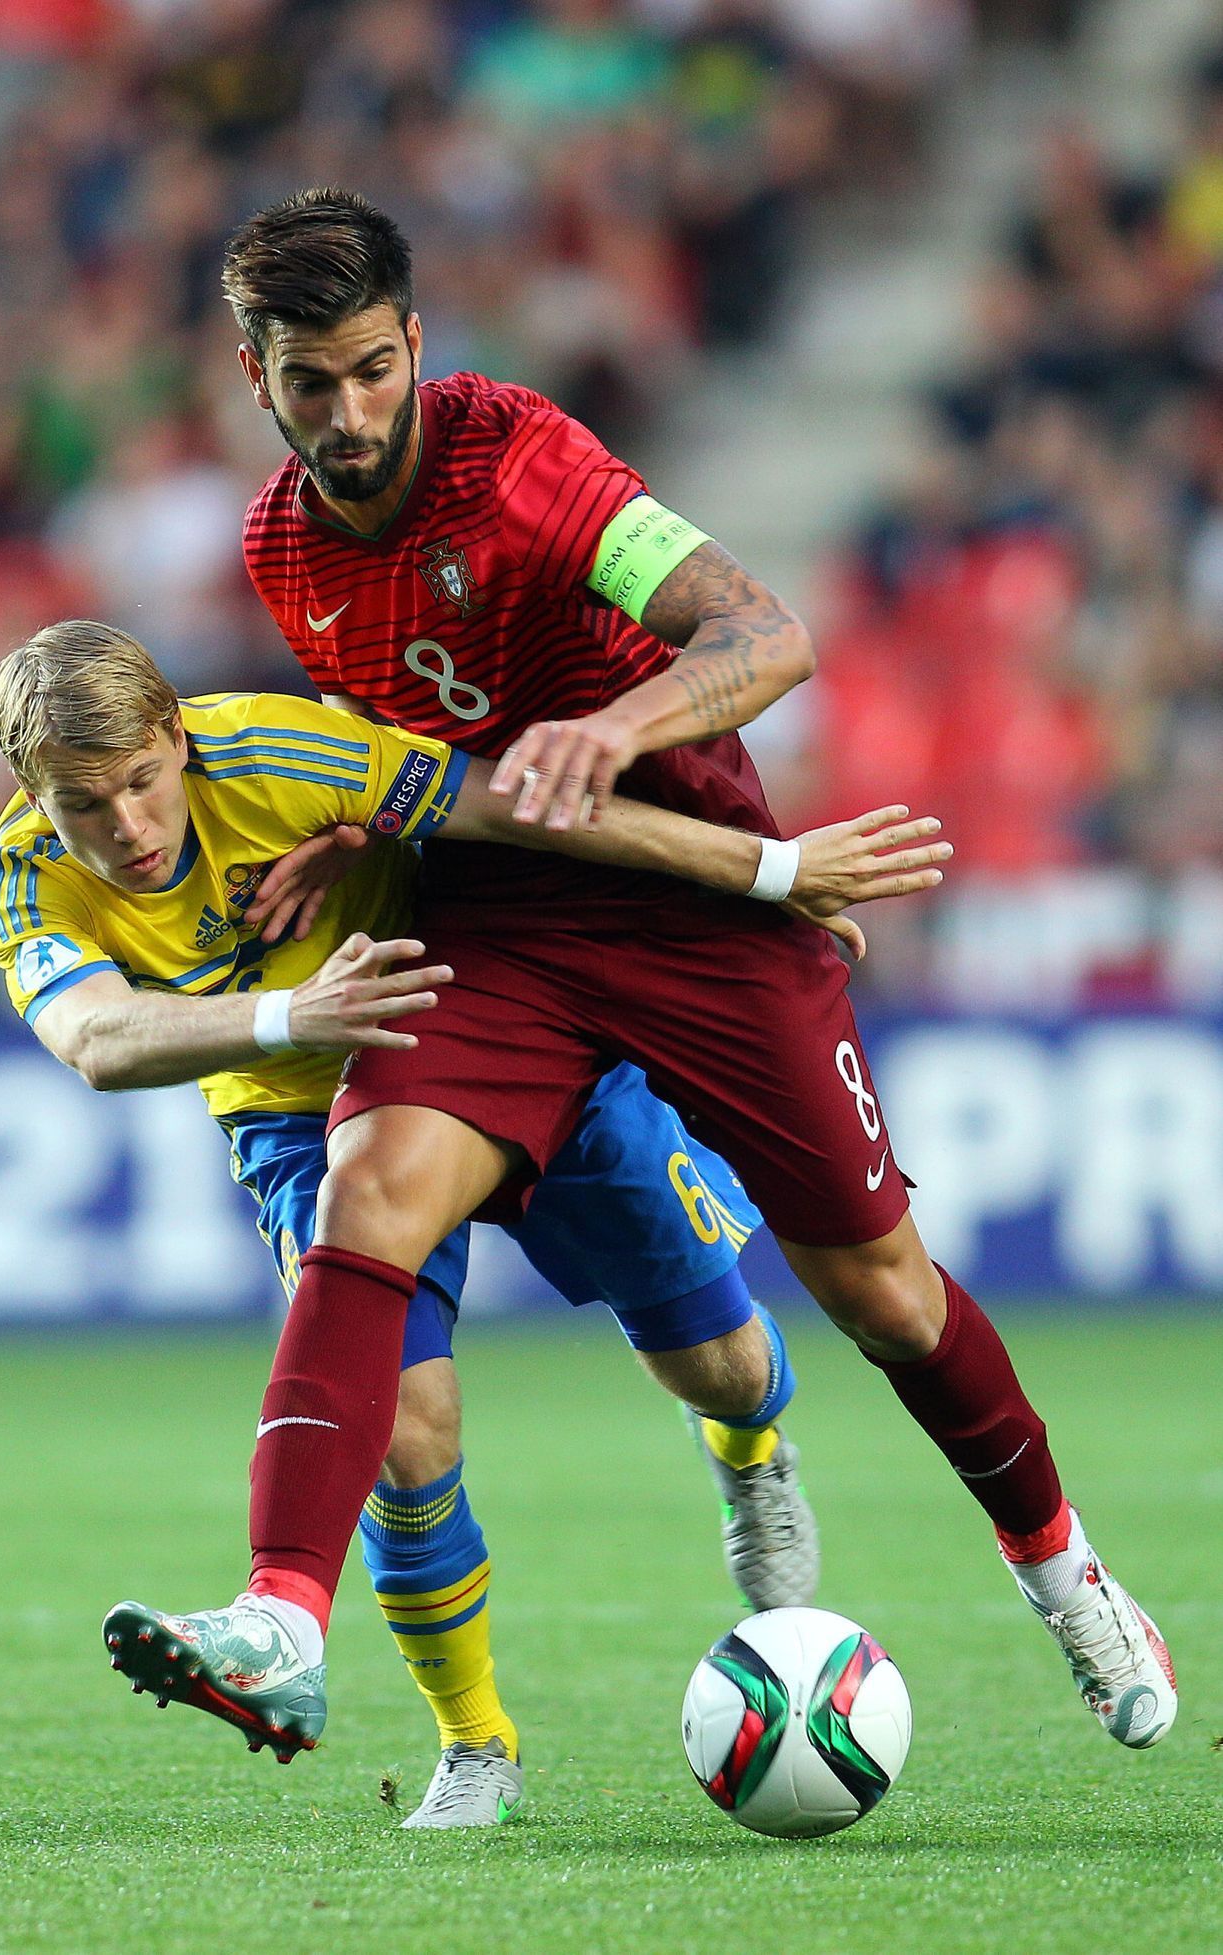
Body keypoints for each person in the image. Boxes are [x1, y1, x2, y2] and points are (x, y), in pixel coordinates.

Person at [183, 186, 1175, 1763]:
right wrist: (356, 824)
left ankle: (1066, 1570)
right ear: (258, 379)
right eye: (312, 382)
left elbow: (766, 634)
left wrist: (615, 730)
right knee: (362, 1194)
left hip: (706, 918)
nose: (351, 412)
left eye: (376, 369)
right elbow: (431, 746)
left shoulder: (527, 460)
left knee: (880, 1291)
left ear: (416, 344)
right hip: (500, 928)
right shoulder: (278, 546)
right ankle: (281, 1613)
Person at [0, 620, 950, 1824]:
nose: (125, 827)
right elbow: (95, 1038)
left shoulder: (281, 749)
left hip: (502, 1036)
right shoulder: (16, 877)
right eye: (82, 804)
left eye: (139, 782)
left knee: (722, 1364)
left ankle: (751, 1454)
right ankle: (476, 1742)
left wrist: (766, 883)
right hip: (303, 1120)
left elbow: (525, 810)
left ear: (176, 737)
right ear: (31, 793)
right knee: (407, 1436)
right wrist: (298, 1018)